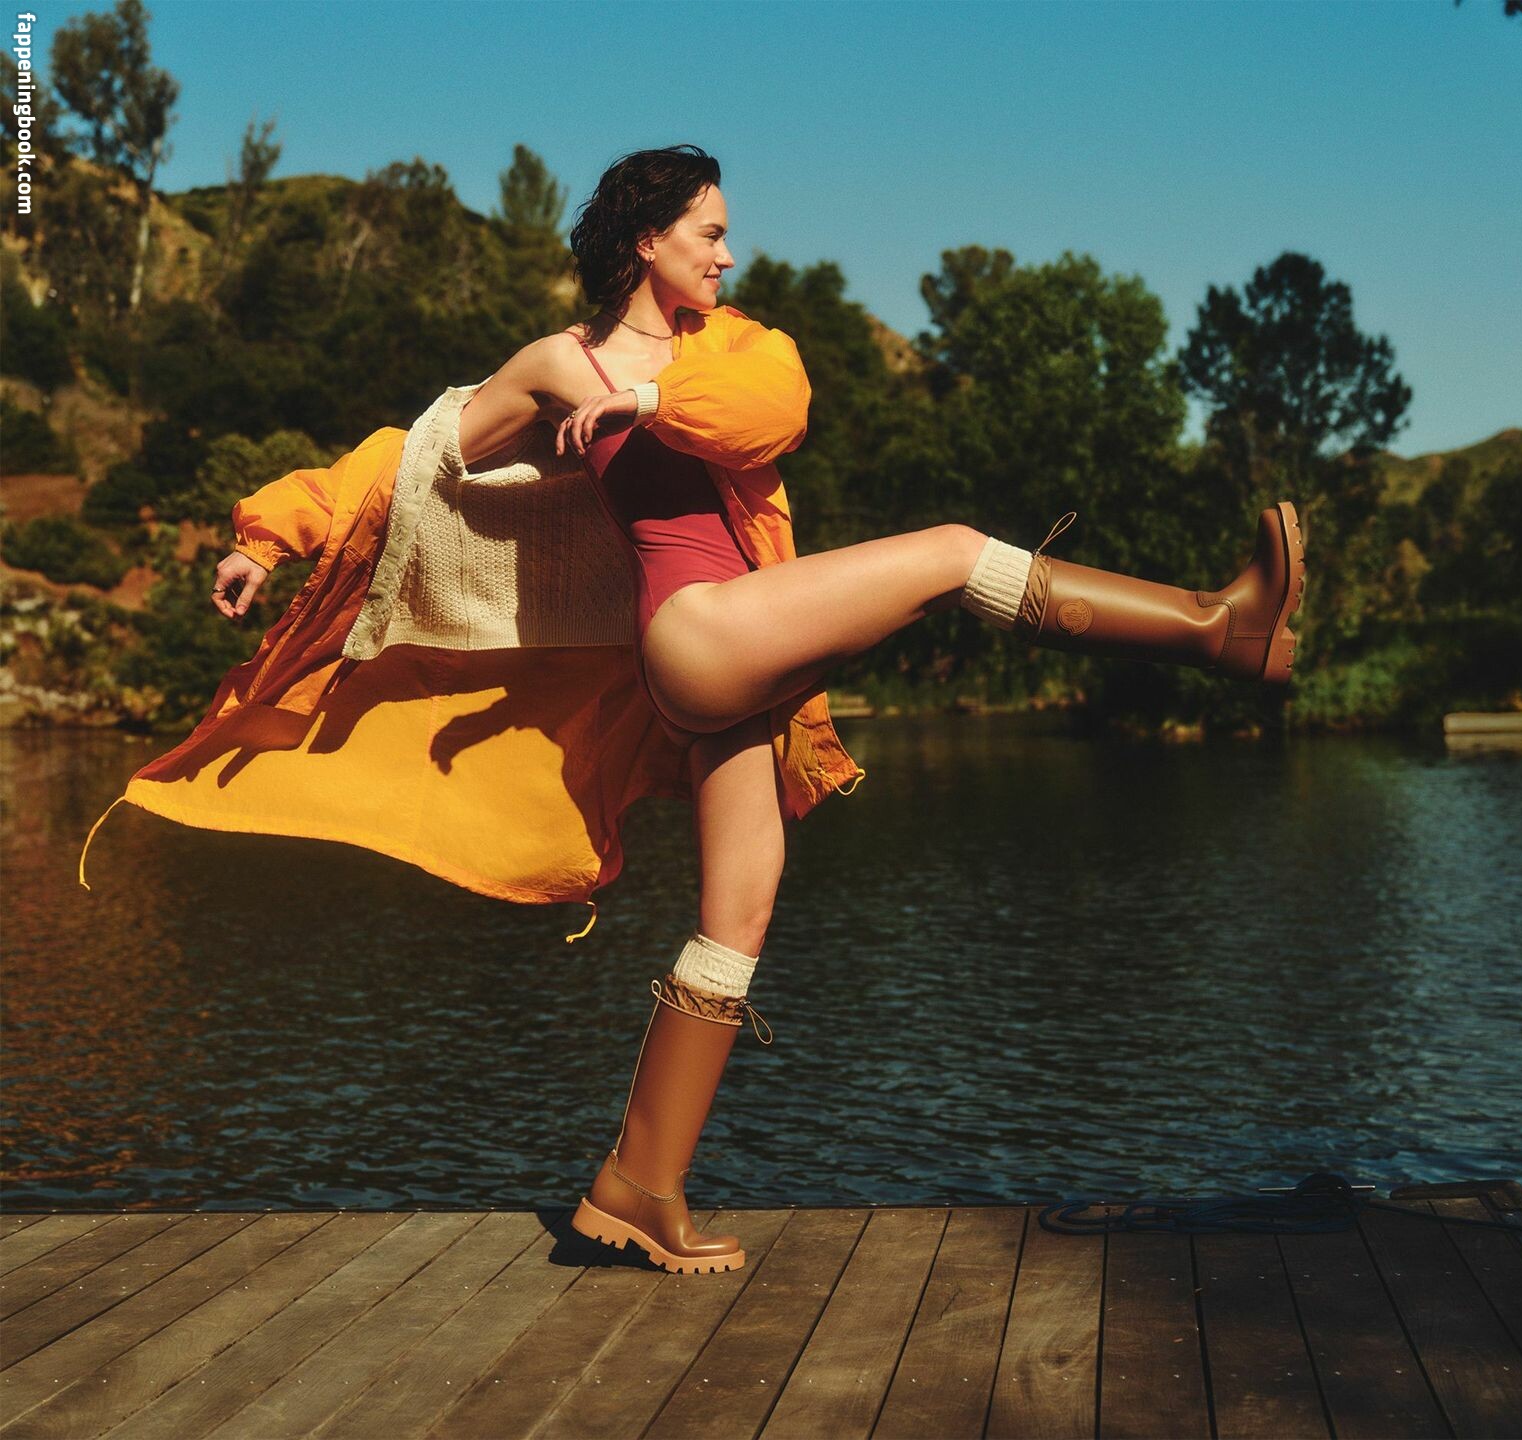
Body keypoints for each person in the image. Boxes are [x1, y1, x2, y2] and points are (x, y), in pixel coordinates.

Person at [205, 144, 1307, 1276]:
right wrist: (269, 538)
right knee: (950, 552)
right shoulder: (558, 361)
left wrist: (646, 398)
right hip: (694, 635)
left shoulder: (726, 347)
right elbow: (419, 458)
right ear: (648, 241)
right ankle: (1216, 627)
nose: (728, 255)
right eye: (710, 233)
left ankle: (636, 1187)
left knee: (740, 911)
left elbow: (774, 413)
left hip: (736, 644)